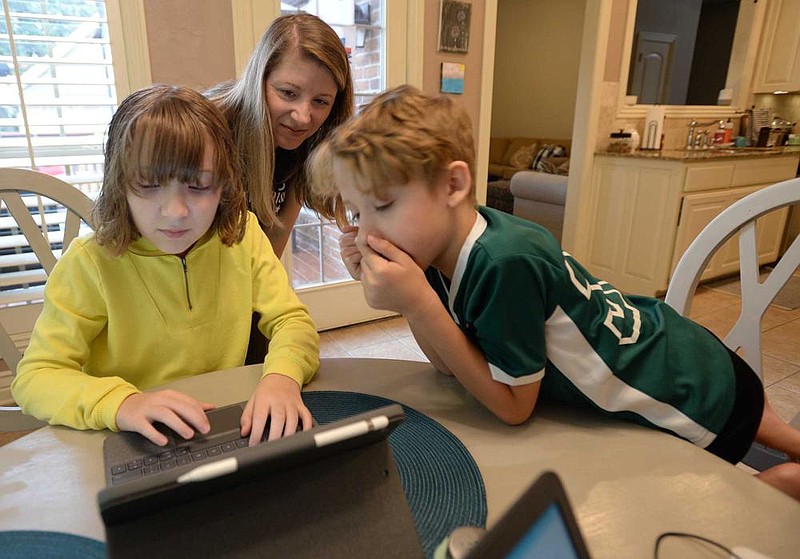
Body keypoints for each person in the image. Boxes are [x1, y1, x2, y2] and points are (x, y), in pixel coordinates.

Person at [308, 84, 800, 500]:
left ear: (453, 184)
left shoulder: (503, 263)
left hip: (688, 389)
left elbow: (512, 408)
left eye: (384, 206)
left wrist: (414, 302)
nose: (368, 232)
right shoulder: (440, 248)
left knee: (757, 490)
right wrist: (413, 298)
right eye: (357, 213)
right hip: (678, 352)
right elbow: (449, 364)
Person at [11, 84, 320, 447]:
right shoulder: (89, 264)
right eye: (149, 185)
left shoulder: (243, 233)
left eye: (199, 186)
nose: (175, 211)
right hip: (135, 439)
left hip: (225, 427)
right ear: (119, 185)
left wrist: (282, 377)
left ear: (224, 184)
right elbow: (36, 377)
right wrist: (123, 402)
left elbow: (292, 321)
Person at [206, 12, 354, 258]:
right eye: (288, 93)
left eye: (320, 101)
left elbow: (270, 252)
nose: (303, 117)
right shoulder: (208, 129)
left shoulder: (308, 145)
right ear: (259, 79)